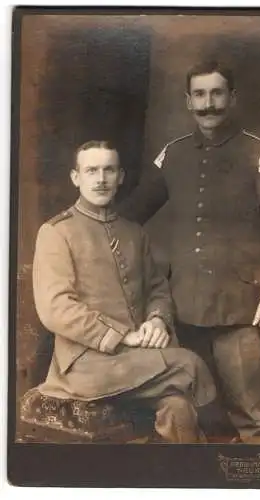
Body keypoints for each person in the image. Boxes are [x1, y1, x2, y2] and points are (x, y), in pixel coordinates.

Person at [118, 61, 260, 443]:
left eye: (216, 93)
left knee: (250, 422)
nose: (208, 103)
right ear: (188, 101)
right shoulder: (174, 154)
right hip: (184, 309)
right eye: (199, 95)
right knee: (197, 418)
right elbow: (132, 214)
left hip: (240, 308)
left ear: (232, 98)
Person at [32, 139, 219, 444]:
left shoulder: (134, 232)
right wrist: (123, 335)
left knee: (179, 408)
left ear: (120, 177)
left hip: (137, 363)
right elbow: (56, 308)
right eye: (91, 170)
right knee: (190, 364)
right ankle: (225, 443)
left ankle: (184, 480)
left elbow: (157, 288)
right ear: (76, 178)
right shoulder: (56, 232)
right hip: (86, 366)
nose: (101, 179)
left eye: (109, 170)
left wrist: (157, 320)